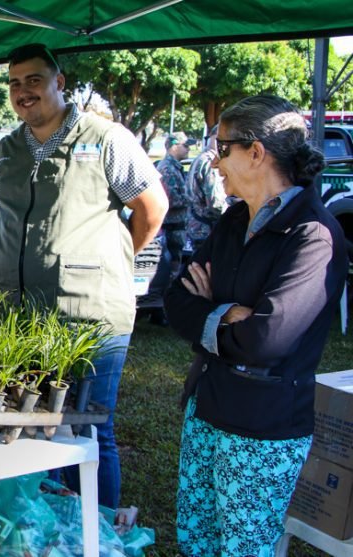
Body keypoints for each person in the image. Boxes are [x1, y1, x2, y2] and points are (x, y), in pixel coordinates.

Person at [0, 43, 168, 509]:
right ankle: (49, 528)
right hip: (15, 316)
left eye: (33, 80)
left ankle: (98, 532)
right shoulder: (6, 149)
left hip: (88, 317)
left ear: (59, 82)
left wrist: (110, 258)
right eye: (14, 83)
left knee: (88, 427)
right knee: (28, 425)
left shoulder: (106, 138)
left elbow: (151, 207)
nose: (23, 92)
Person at [164, 95, 348, 556]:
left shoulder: (313, 235)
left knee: (244, 549)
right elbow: (174, 300)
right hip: (206, 407)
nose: (214, 161)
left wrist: (211, 309)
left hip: (261, 428)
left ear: (256, 151)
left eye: (221, 147)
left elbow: (266, 339)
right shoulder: (232, 220)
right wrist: (227, 312)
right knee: (196, 542)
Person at [145, 131, 197, 325]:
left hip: (178, 225)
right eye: (185, 145)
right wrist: (191, 199)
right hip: (172, 226)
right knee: (171, 271)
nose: (188, 149)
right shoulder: (167, 168)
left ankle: (162, 312)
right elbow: (169, 198)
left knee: (175, 269)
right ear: (174, 146)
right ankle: (161, 313)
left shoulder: (174, 167)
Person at [185, 124, 227, 249]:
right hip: (206, 228)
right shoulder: (210, 162)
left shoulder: (200, 158)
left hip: (196, 224)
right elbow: (215, 203)